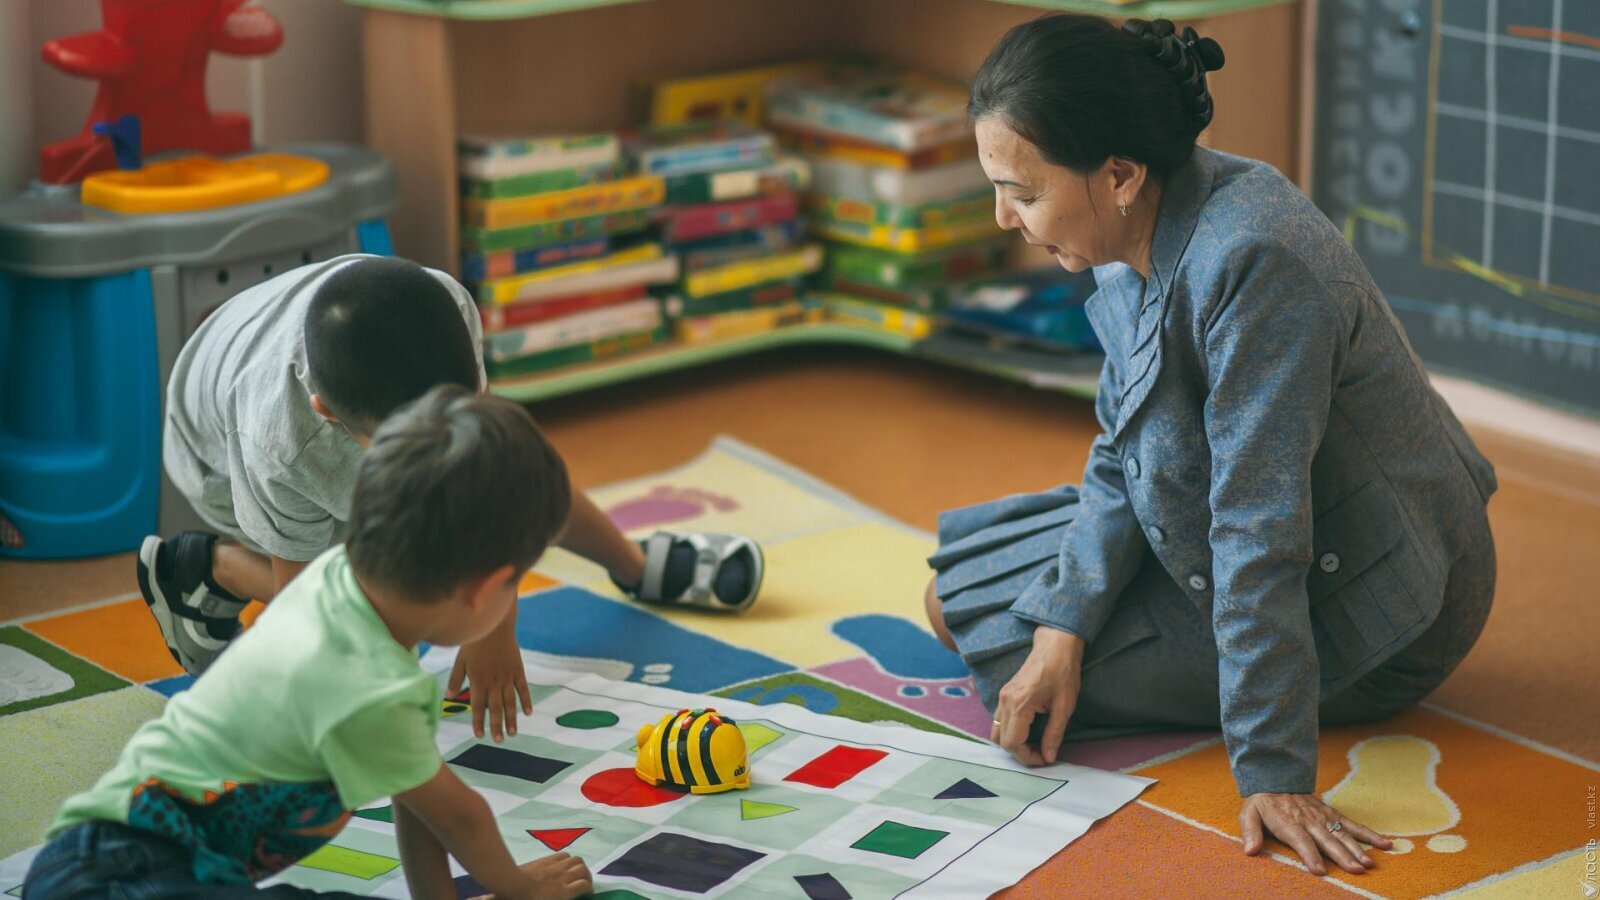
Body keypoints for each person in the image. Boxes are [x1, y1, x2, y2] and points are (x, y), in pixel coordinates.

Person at [923, 14, 1497, 878]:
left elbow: (1261, 527)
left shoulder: (1254, 259)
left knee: (978, 630)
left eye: (1022, 191)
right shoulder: (1133, 223)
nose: (1004, 217)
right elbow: (1123, 450)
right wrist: (1064, 626)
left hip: (1374, 601)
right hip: (1211, 520)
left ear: (1116, 173)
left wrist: (1273, 768)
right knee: (969, 602)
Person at [139, 255, 763, 741]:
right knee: (366, 603)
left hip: (317, 371)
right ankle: (205, 567)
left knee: (508, 467)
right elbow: (307, 606)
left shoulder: (446, 303)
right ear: (329, 414)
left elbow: (501, 468)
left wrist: (497, 624)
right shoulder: (285, 451)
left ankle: (631, 563)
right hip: (217, 459)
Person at [27, 386, 592, 899]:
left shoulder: (336, 584)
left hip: (126, 862)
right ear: (487, 588)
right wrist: (518, 887)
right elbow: (461, 817)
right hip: (120, 875)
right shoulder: (371, 684)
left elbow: (419, 799)